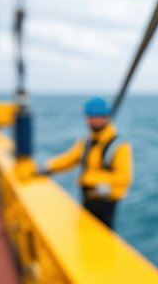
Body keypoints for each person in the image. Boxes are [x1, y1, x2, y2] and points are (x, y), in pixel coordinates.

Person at [40, 97, 133, 229]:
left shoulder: (119, 146)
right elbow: (71, 158)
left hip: (106, 202)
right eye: (89, 117)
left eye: (95, 117)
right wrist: (49, 166)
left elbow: (124, 177)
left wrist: (89, 178)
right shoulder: (86, 142)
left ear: (105, 117)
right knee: (84, 230)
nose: (92, 121)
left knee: (103, 236)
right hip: (87, 198)